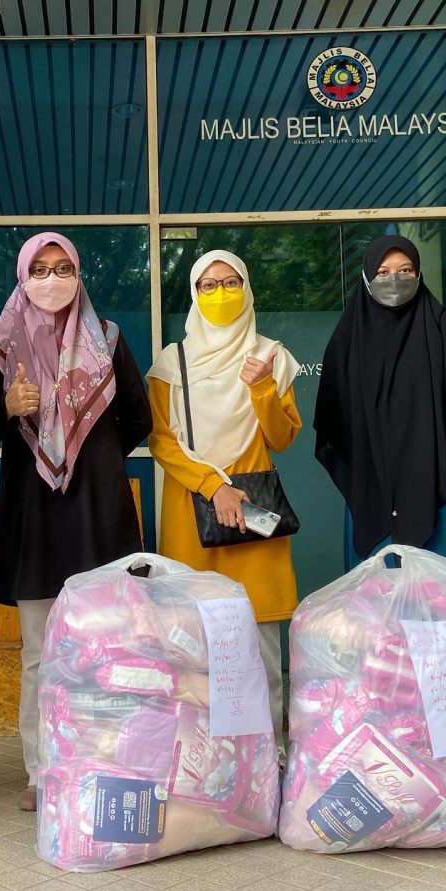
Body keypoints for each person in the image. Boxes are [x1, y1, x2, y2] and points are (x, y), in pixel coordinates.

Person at [0, 232, 152, 812]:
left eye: (62, 267)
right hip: (35, 518)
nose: (52, 279)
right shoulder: (1, 345)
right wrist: (9, 409)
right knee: (40, 653)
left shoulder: (107, 339)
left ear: (78, 275)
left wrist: (88, 454)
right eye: (40, 269)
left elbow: (138, 418)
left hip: (98, 513)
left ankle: (102, 762)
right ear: (23, 277)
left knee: (105, 647)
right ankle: (42, 770)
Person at [147, 250, 302, 739]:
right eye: (208, 285)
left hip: (252, 507)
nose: (220, 293)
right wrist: (215, 487)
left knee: (260, 640)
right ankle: (202, 757)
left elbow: (282, 438)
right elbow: (161, 441)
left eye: (231, 282)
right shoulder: (172, 363)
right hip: (194, 507)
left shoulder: (271, 355)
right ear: (194, 293)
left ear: (247, 288)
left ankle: (267, 753)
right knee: (194, 641)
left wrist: (262, 389)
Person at [314, 235, 446, 578]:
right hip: (374, 510)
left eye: (405, 270)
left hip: (444, 507)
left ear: (419, 274)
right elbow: (338, 433)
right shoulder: (347, 342)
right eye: (383, 272)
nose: (395, 280)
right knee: (379, 608)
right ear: (367, 277)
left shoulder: (445, 329)